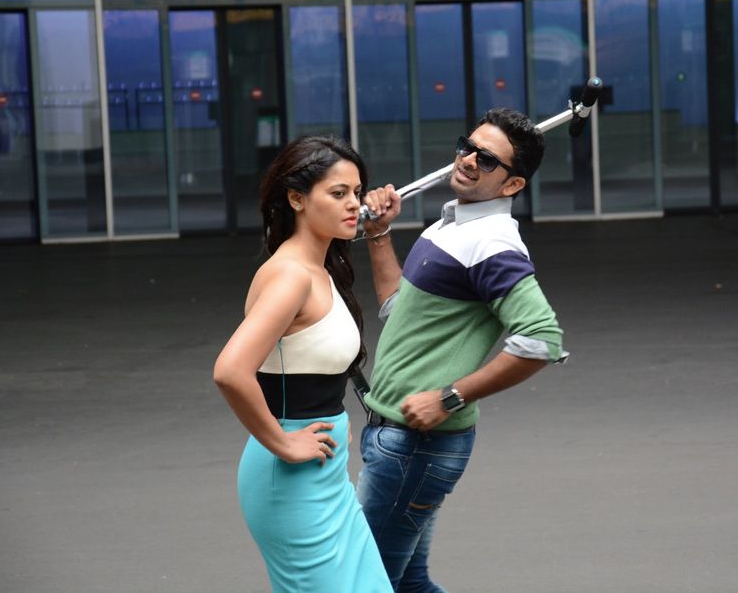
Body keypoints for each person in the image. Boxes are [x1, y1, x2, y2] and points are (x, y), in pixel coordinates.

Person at [357, 108, 568, 591]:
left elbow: (542, 339)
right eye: (467, 147)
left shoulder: (493, 243)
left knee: (366, 583)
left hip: (416, 449)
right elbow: (397, 308)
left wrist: (449, 397)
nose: (469, 160)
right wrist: (379, 234)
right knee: (408, 584)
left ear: (513, 185)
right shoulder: (451, 226)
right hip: (401, 442)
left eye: (487, 159)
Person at [213, 135, 390, 593]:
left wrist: (380, 233)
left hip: (325, 474)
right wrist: (284, 444)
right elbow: (230, 371)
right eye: (338, 193)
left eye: (356, 192)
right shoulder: (291, 275)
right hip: (291, 481)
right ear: (296, 199)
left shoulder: (318, 269)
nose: (353, 204)